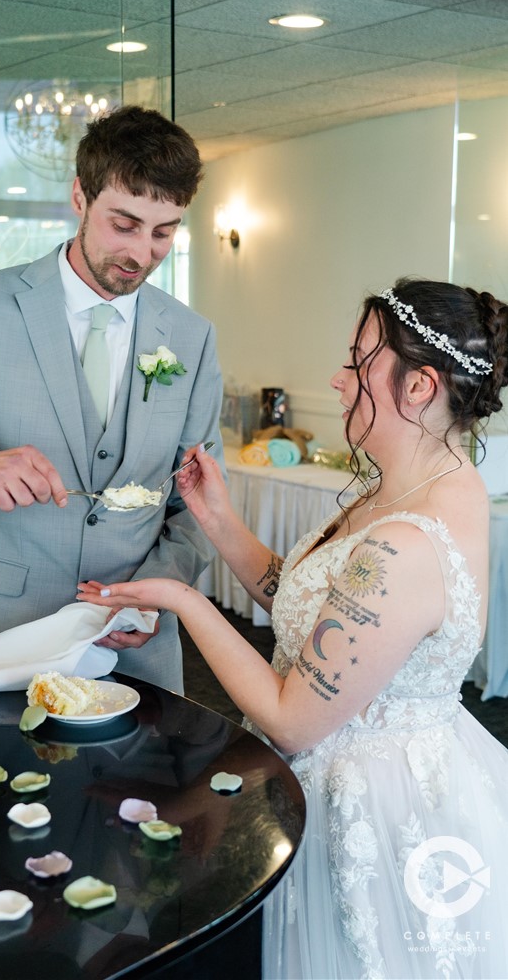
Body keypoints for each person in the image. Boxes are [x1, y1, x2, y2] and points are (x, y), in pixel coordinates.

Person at [77, 277, 508, 978]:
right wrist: (218, 520)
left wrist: (185, 601)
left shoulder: (408, 541)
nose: (337, 381)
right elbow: (315, 608)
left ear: (420, 385)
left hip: (376, 802)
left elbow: (291, 719)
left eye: (357, 362)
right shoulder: (410, 484)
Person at [0, 105, 224, 693]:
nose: (142, 254)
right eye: (124, 224)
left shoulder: (191, 336)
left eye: (163, 232)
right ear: (80, 197)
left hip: (134, 646)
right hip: (1, 634)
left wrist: (154, 597)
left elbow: (197, 505)